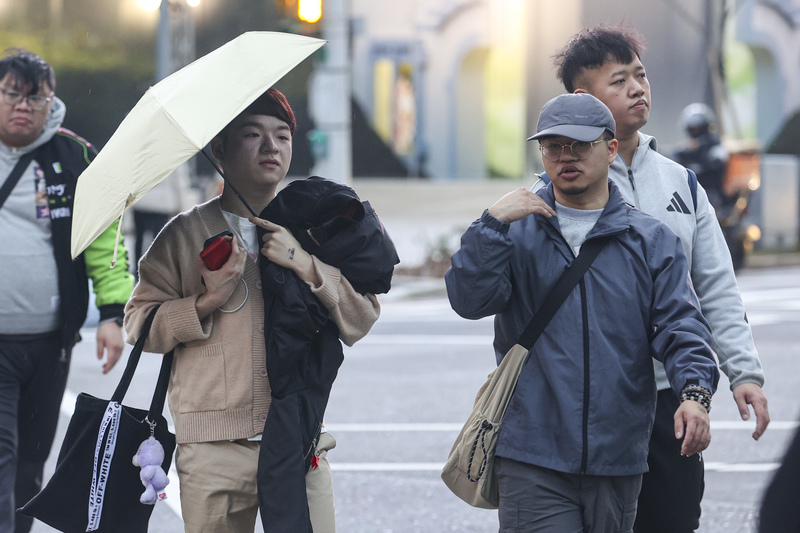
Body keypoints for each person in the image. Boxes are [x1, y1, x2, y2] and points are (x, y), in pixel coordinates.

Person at [446, 92, 720, 532]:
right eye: (553, 145)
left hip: (620, 454)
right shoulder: (515, 233)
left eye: (580, 144)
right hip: (531, 452)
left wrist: (695, 394)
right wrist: (490, 224)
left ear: (611, 149)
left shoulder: (651, 240)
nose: (565, 156)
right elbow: (469, 301)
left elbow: (682, 326)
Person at [543, 25, 769, 532]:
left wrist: (744, 373)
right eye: (619, 80)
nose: (638, 88)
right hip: (591, 402)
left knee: (672, 519)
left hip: (675, 396)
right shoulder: (556, 189)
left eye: (640, 76)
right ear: (583, 98)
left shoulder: (681, 182)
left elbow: (714, 285)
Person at [124, 88, 381, 533]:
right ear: (219, 149)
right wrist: (207, 300)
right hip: (213, 450)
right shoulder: (183, 236)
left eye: (282, 136)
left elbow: (361, 318)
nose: (271, 147)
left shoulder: (317, 225)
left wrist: (305, 262)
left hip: (300, 438)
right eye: (253, 134)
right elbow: (139, 327)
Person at [0, 48, 133, 533]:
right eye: (12, 93)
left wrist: (114, 314)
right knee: (2, 455)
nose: (23, 105)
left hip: (51, 341)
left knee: (33, 461)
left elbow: (105, 242)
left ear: (50, 100)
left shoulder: (73, 155)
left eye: (36, 97)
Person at [673, 103, 730, 212]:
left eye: (698, 128)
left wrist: (697, 151)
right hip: (688, 192)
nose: (695, 132)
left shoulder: (716, 147)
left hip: (711, 192)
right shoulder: (685, 151)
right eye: (692, 129)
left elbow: (715, 166)